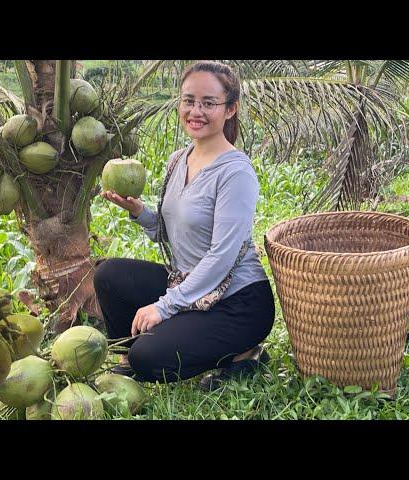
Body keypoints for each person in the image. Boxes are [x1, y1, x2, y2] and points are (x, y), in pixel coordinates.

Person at [94, 61, 275, 391]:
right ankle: (129, 358)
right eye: (189, 100)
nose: (196, 111)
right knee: (108, 274)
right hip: (190, 285)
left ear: (230, 109)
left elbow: (221, 257)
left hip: (238, 302)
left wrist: (165, 307)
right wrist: (140, 213)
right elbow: (171, 234)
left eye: (209, 103)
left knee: (149, 358)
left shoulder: (235, 173)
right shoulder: (179, 159)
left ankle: (242, 356)